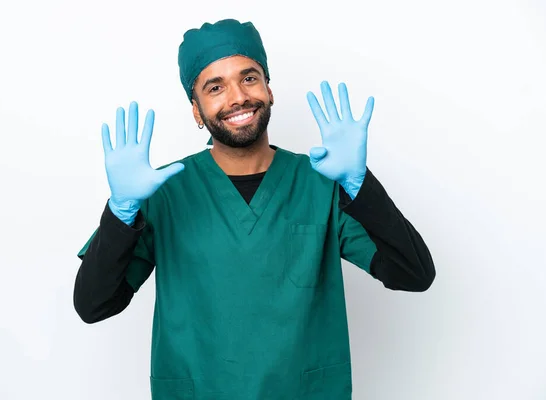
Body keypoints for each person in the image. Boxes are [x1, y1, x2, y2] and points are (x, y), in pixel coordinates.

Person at [73, 18, 435, 400]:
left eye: (249, 78)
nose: (237, 98)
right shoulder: (162, 193)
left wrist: (360, 186)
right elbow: (93, 305)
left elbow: (415, 274)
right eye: (215, 87)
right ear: (196, 111)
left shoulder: (322, 185)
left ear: (269, 89)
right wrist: (121, 211)